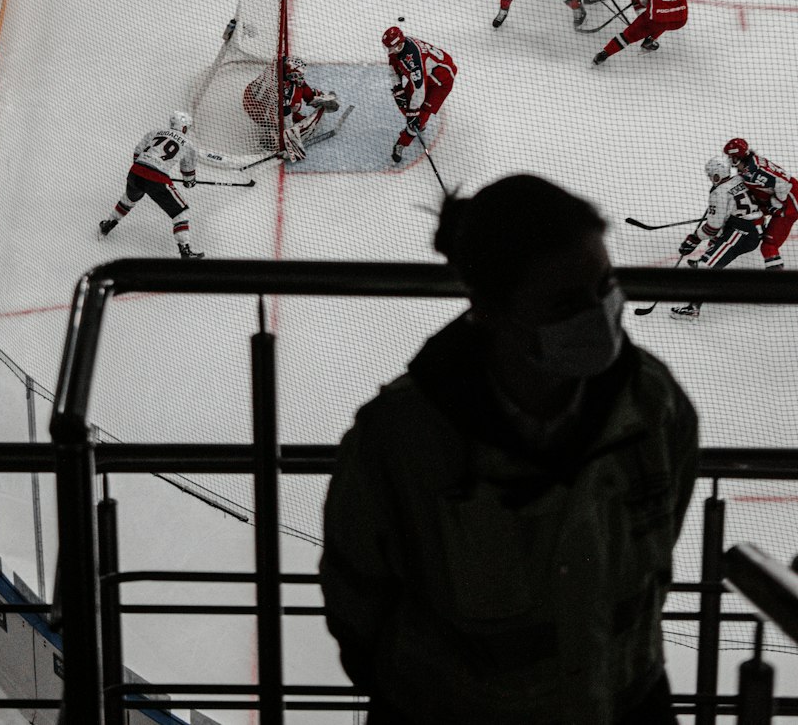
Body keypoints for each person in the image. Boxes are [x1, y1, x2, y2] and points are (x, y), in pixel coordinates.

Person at [321, 175, 698, 725]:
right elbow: (358, 595)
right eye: (567, 301)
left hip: (626, 700)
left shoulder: (654, 406)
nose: (600, 313)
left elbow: (658, 547)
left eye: (604, 284)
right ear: (492, 309)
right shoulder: (403, 440)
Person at [98, 111, 218, 258]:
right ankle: (185, 250)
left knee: (129, 199)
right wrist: (189, 181)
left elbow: (137, 152)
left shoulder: (155, 132)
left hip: (135, 172)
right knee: (180, 212)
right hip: (157, 178)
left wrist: (145, 167)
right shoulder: (188, 144)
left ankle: (108, 224)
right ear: (185, 128)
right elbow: (188, 170)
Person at [672, 156, 764, 318]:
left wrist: (694, 238)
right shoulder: (739, 179)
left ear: (717, 175)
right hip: (752, 227)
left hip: (741, 233)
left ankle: (693, 309)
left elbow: (712, 228)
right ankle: (709, 265)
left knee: (704, 268)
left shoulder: (719, 192)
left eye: (711, 175)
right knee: (711, 254)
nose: (710, 179)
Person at [383, 26, 456, 165]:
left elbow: (419, 89)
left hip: (440, 82)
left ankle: (401, 144)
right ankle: (416, 126)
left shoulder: (413, 58)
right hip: (425, 77)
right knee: (403, 102)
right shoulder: (397, 49)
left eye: (390, 47)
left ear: (399, 44)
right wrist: (398, 89)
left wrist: (413, 114)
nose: (389, 51)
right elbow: (394, 70)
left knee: (419, 117)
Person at [243, 56, 340, 161]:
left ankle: (280, 135)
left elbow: (305, 91)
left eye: (300, 75)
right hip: (265, 113)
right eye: (296, 75)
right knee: (286, 126)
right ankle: (274, 138)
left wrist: (320, 98)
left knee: (299, 112)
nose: (299, 78)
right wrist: (286, 132)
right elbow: (279, 112)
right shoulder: (277, 88)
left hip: (271, 109)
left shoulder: (291, 79)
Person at [723, 137, 798, 270]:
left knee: (769, 245)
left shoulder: (755, 171)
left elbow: (783, 185)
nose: (730, 160)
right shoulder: (748, 167)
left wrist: (776, 205)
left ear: (738, 157)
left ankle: (777, 283)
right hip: (783, 200)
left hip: (790, 203)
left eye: (731, 157)